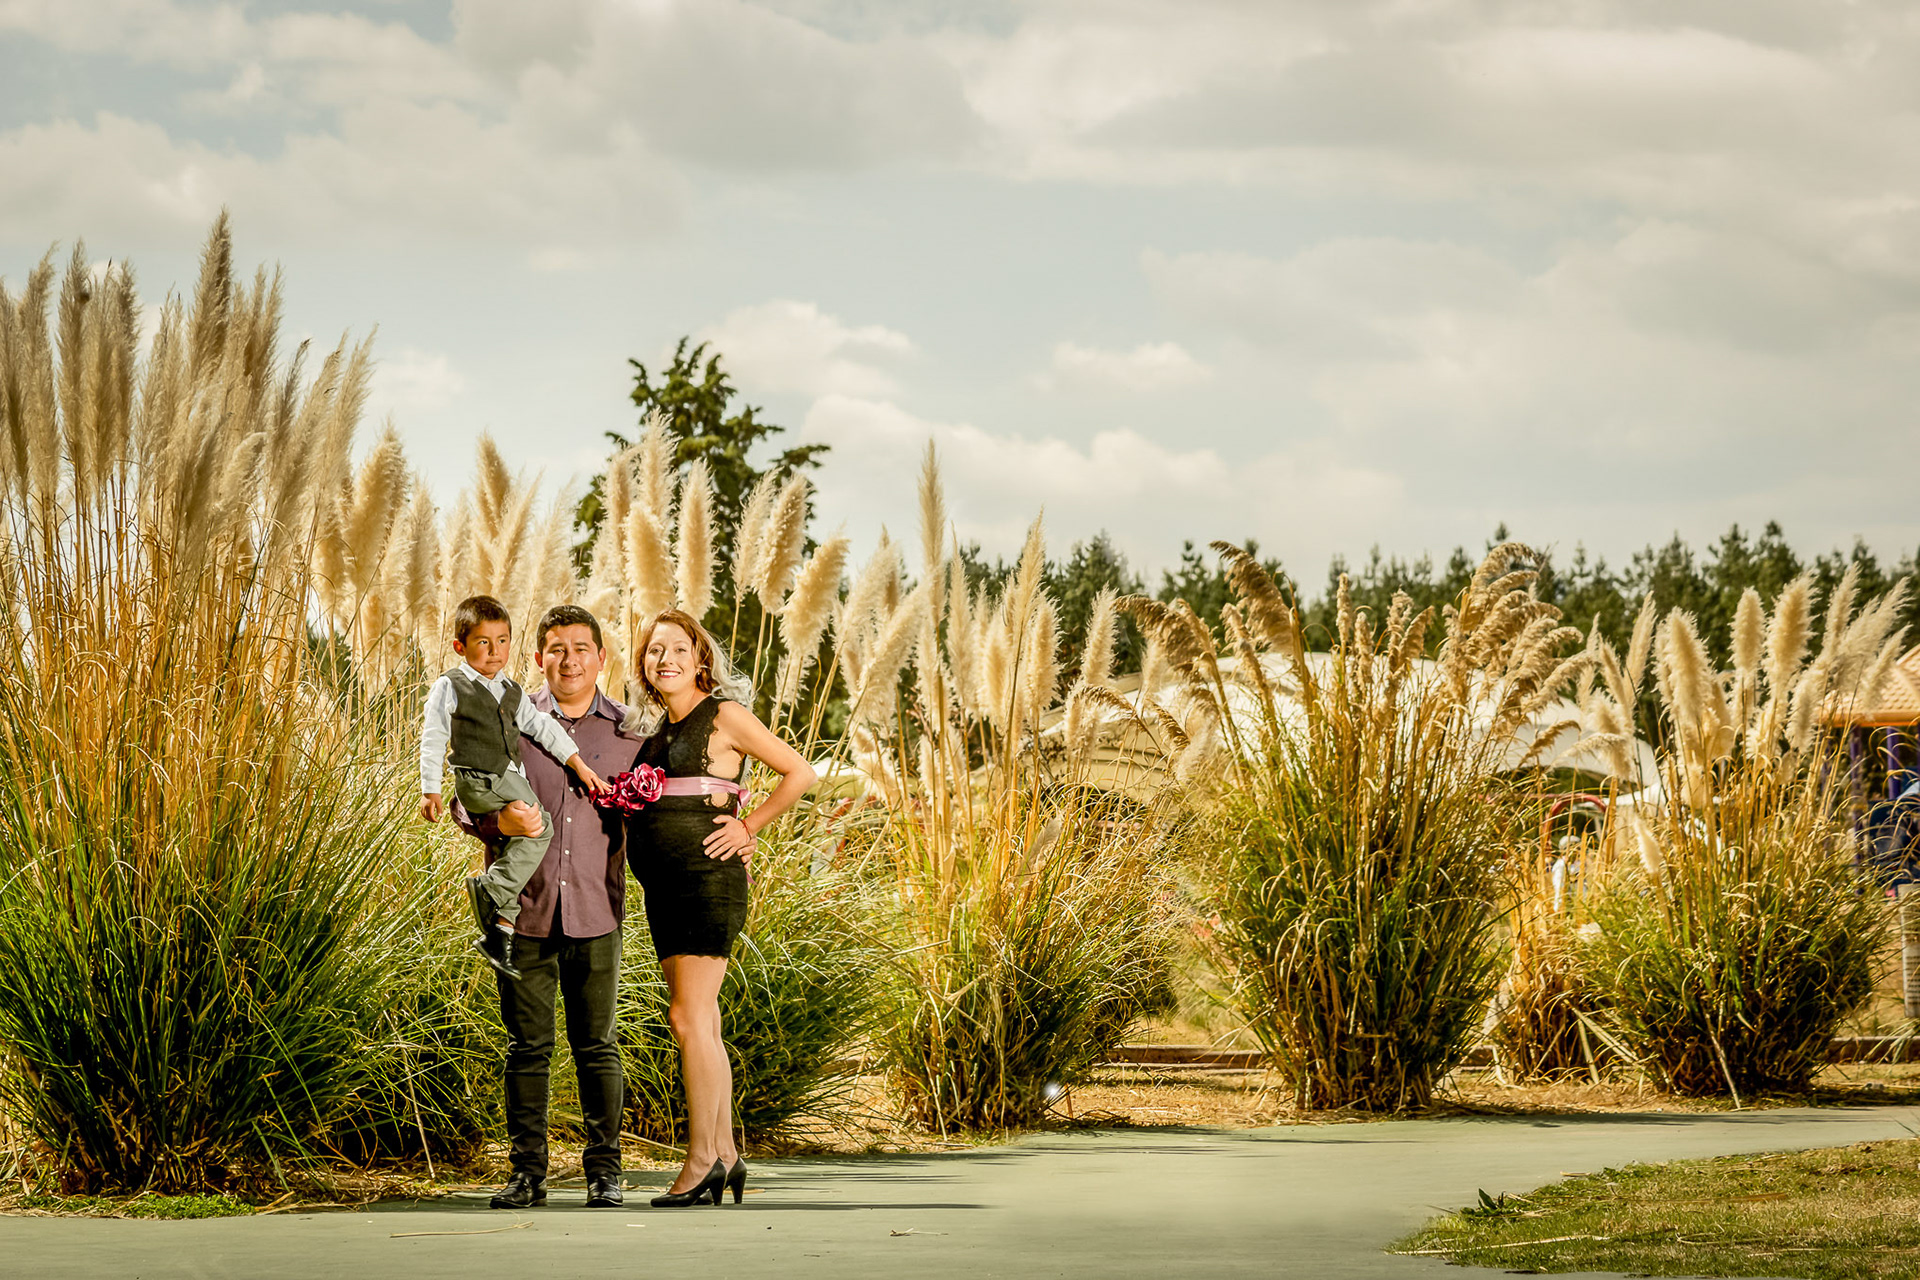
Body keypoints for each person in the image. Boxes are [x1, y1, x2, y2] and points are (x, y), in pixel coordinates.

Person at [624, 608, 816, 1208]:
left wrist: (749, 826)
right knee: (702, 1021)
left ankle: (701, 1159)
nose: (666, 660)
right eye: (655, 651)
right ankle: (729, 1155)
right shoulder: (656, 731)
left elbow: (799, 772)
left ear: (700, 657)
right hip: (665, 887)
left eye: (678, 648)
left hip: (709, 880)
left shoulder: (725, 715)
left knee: (688, 1017)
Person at [455, 604, 637, 1211]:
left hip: (596, 909)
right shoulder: (508, 715)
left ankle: (604, 1174)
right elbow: (465, 795)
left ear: (600, 658)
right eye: (557, 649)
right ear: (538, 658)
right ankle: (527, 1174)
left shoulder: (629, 734)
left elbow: (657, 816)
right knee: (527, 1047)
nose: (569, 660)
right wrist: (492, 819)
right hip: (523, 912)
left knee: (598, 1045)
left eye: (581, 648)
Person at [420, 595, 609, 976]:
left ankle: (499, 933)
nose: (494, 651)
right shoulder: (451, 686)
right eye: (483, 643)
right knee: (541, 827)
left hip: (502, 777)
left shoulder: (511, 690)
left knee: (521, 841)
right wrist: (431, 789)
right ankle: (490, 889)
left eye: (502, 641)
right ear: (461, 646)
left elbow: (541, 726)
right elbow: (434, 735)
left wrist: (576, 762)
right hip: (480, 777)